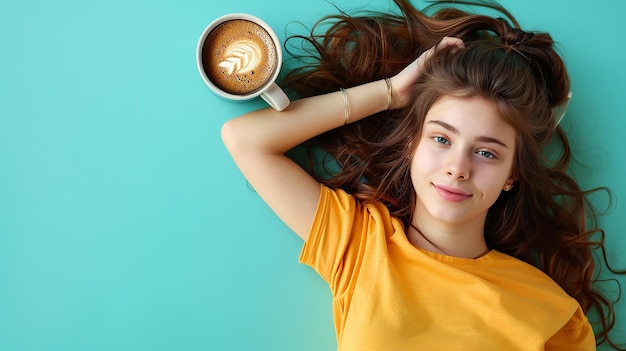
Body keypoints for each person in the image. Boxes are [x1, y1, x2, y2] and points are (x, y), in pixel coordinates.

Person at [221, 0, 624, 349]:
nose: (458, 168)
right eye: (442, 139)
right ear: (413, 144)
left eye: (486, 152)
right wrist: (392, 92)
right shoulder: (359, 245)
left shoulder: (553, 314)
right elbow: (246, 139)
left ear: (511, 174)